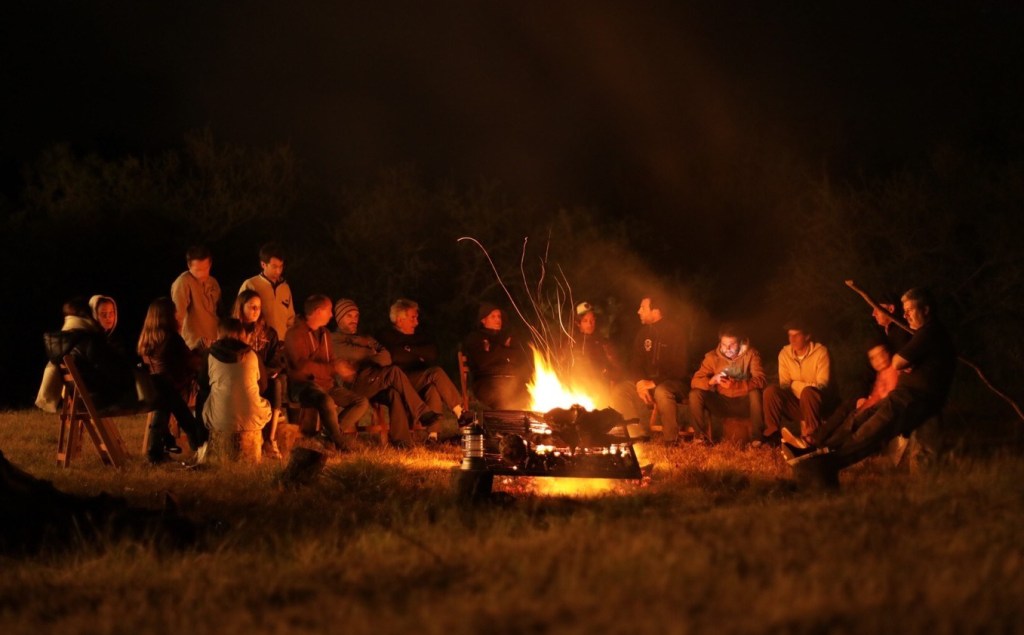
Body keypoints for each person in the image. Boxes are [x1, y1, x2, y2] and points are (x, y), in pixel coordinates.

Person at [788, 288, 956, 477]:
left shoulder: (930, 331)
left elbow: (897, 361)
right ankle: (819, 453)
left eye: (910, 309)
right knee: (861, 419)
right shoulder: (916, 333)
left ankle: (823, 466)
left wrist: (901, 361)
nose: (906, 314)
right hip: (901, 395)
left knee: (869, 432)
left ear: (925, 310)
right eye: (905, 310)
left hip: (912, 398)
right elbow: (894, 363)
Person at [331, 298, 441, 448]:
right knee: (394, 372)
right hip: (354, 387)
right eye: (349, 316)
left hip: (373, 381)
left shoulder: (364, 337)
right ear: (339, 317)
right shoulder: (335, 339)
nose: (354, 320)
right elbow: (357, 355)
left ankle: (402, 442)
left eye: (356, 316)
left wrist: (368, 352)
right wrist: (371, 351)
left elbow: (386, 358)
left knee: (394, 393)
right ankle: (421, 412)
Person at [284, 294, 364, 451]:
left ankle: (327, 435)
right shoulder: (295, 334)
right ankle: (340, 443)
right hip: (303, 386)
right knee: (325, 400)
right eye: (329, 310)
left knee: (360, 402)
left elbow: (331, 361)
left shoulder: (325, 333)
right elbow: (301, 367)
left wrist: (341, 369)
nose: (331, 315)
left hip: (326, 384)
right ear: (318, 311)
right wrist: (332, 368)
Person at [790, 339, 898, 450]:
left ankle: (824, 445)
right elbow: (874, 393)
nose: (878, 360)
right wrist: (863, 400)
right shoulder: (881, 372)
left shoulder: (894, 368)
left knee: (851, 419)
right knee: (845, 408)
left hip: (880, 410)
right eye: (873, 358)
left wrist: (866, 405)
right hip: (871, 405)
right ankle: (815, 438)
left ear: (888, 352)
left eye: (881, 354)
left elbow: (886, 397)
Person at [137, 297, 208, 464]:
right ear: (168, 316)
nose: (178, 316)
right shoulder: (171, 338)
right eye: (175, 313)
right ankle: (199, 444)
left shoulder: (146, 339)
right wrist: (201, 349)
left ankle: (157, 451)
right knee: (191, 405)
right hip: (173, 386)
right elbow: (191, 363)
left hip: (154, 388)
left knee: (166, 402)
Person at [610, 295, 689, 443]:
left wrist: (654, 382)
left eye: (643, 308)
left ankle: (671, 440)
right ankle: (636, 436)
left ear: (656, 311)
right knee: (621, 391)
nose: (638, 311)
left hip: (673, 384)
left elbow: (680, 368)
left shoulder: (675, 333)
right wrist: (640, 382)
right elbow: (636, 363)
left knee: (661, 391)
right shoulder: (643, 334)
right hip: (648, 383)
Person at [38, 298, 138, 412]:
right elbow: (114, 373)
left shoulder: (64, 342)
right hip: (98, 401)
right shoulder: (88, 341)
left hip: (79, 399)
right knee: (147, 394)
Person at [376, 298, 464, 424]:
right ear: (400, 320)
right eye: (413, 318)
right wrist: (418, 354)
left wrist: (409, 349)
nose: (416, 323)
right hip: (398, 381)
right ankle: (460, 412)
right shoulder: (386, 336)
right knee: (436, 372)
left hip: (419, 379)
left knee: (432, 388)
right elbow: (394, 356)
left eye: (416, 318)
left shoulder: (419, 335)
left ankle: (433, 436)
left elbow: (432, 353)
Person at [202, 318, 272, 463]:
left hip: (219, 419)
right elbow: (264, 386)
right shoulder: (253, 355)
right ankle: (269, 443)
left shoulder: (210, 355)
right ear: (241, 333)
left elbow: (202, 383)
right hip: (253, 417)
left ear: (219, 333)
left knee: (204, 398)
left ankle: (199, 442)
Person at [688, 324, 766, 443]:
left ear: (740, 343)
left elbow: (761, 380)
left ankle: (757, 438)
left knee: (755, 393)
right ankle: (699, 437)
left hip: (744, 402)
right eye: (724, 344)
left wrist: (737, 385)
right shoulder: (712, 357)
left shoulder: (751, 354)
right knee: (695, 394)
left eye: (732, 345)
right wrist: (711, 381)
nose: (727, 349)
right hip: (722, 402)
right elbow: (695, 381)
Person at [233, 289, 287, 459]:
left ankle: (270, 440)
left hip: (262, 379)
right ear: (241, 308)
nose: (256, 311)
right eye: (252, 307)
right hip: (239, 380)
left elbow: (276, 361)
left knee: (277, 384)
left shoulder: (268, 334)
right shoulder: (233, 331)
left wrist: (264, 374)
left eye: (259, 307)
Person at [761, 320, 833, 446]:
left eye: (796, 335)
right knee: (770, 391)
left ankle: (812, 437)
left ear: (807, 336)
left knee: (808, 392)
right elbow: (784, 385)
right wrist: (796, 386)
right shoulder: (784, 354)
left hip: (816, 404)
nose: (792, 340)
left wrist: (795, 384)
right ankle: (772, 435)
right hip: (797, 405)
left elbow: (822, 385)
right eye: (790, 335)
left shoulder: (821, 352)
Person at [462, 303, 531, 410]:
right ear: (483, 320)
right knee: (503, 398)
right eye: (493, 316)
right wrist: (504, 349)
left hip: (512, 381)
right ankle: (502, 424)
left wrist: (494, 351)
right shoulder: (475, 338)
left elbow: (519, 357)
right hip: (487, 383)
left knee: (531, 397)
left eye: (499, 316)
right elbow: (483, 362)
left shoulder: (507, 336)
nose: (498, 320)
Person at [238, 242, 295, 341]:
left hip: (281, 341)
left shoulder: (285, 288)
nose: (278, 271)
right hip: (258, 341)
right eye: (274, 266)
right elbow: (239, 313)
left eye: (281, 266)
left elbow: (290, 318)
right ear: (263, 264)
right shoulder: (251, 284)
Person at [171, 245, 221, 350]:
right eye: (198, 270)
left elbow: (217, 312)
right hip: (194, 346)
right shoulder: (183, 282)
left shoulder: (213, 282)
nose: (202, 274)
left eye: (205, 269)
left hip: (214, 343)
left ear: (210, 264)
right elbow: (178, 317)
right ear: (189, 266)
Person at [567, 301, 622, 397]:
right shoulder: (570, 344)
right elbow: (562, 367)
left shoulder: (603, 343)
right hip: (576, 389)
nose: (590, 324)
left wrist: (609, 379)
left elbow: (616, 368)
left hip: (599, 390)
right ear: (578, 323)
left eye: (592, 320)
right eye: (585, 321)